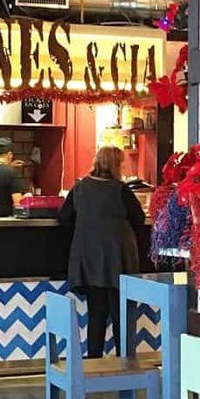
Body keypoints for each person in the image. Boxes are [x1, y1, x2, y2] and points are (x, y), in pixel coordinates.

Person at [58, 145, 146, 358]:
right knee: (120, 314)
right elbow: (139, 219)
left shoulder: (80, 187)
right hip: (119, 259)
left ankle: (94, 362)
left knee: (96, 313)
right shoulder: (121, 189)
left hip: (88, 260)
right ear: (116, 165)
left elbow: (64, 217)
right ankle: (125, 364)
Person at [0, 137, 22, 218]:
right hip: (5, 222)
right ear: (10, 155)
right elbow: (17, 202)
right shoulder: (12, 173)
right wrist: (27, 197)